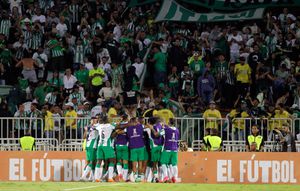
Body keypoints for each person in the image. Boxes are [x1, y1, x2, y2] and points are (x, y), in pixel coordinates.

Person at [94, 116, 116, 182]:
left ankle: (97, 178)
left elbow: (94, 127)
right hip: (107, 145)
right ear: (106, 120)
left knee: (99, 161)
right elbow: (119, 126)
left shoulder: (99, 126)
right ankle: (110, 178)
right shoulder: (110, 125)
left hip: (100, 145)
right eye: (108, 119)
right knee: (112, 160)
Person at [160, 118, 180, 183]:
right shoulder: (177, 130)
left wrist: (162, 128)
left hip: (167, 148)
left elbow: (158, 134)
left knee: (163, 163)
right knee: (174, 164)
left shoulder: (166, 129)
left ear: (169, 122)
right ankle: (175, 178)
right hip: (175, 149)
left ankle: (166, 177)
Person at [144, 117, 164, 183]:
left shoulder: (149, 128)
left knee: (154, 164)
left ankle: (156, 178)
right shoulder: (161, 127)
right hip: (161, 147)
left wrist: (148, 126)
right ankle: (161, 178)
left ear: (150, 122)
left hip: (153, 147)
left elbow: (142, 128)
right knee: (160, 164)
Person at [126, 117, 146, 182]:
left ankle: (135, 177)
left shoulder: (128, 128)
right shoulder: (141, 126)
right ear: (135, 121)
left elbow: (122, 132)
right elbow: (147, 127)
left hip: (133, 147)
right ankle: (139, 177)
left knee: (134, 164)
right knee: (140, 163)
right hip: (141, 147)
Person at [81, 116, 99, 181]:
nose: (94, 120)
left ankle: (92, 177)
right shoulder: (91, 127)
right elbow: (84, 137)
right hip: (91, 146)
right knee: (91, 162)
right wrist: (86, 130)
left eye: (95, 119)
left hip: (90, 146)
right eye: (93, 119)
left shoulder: (95, 126)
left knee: (92, 162)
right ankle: (83, 176)